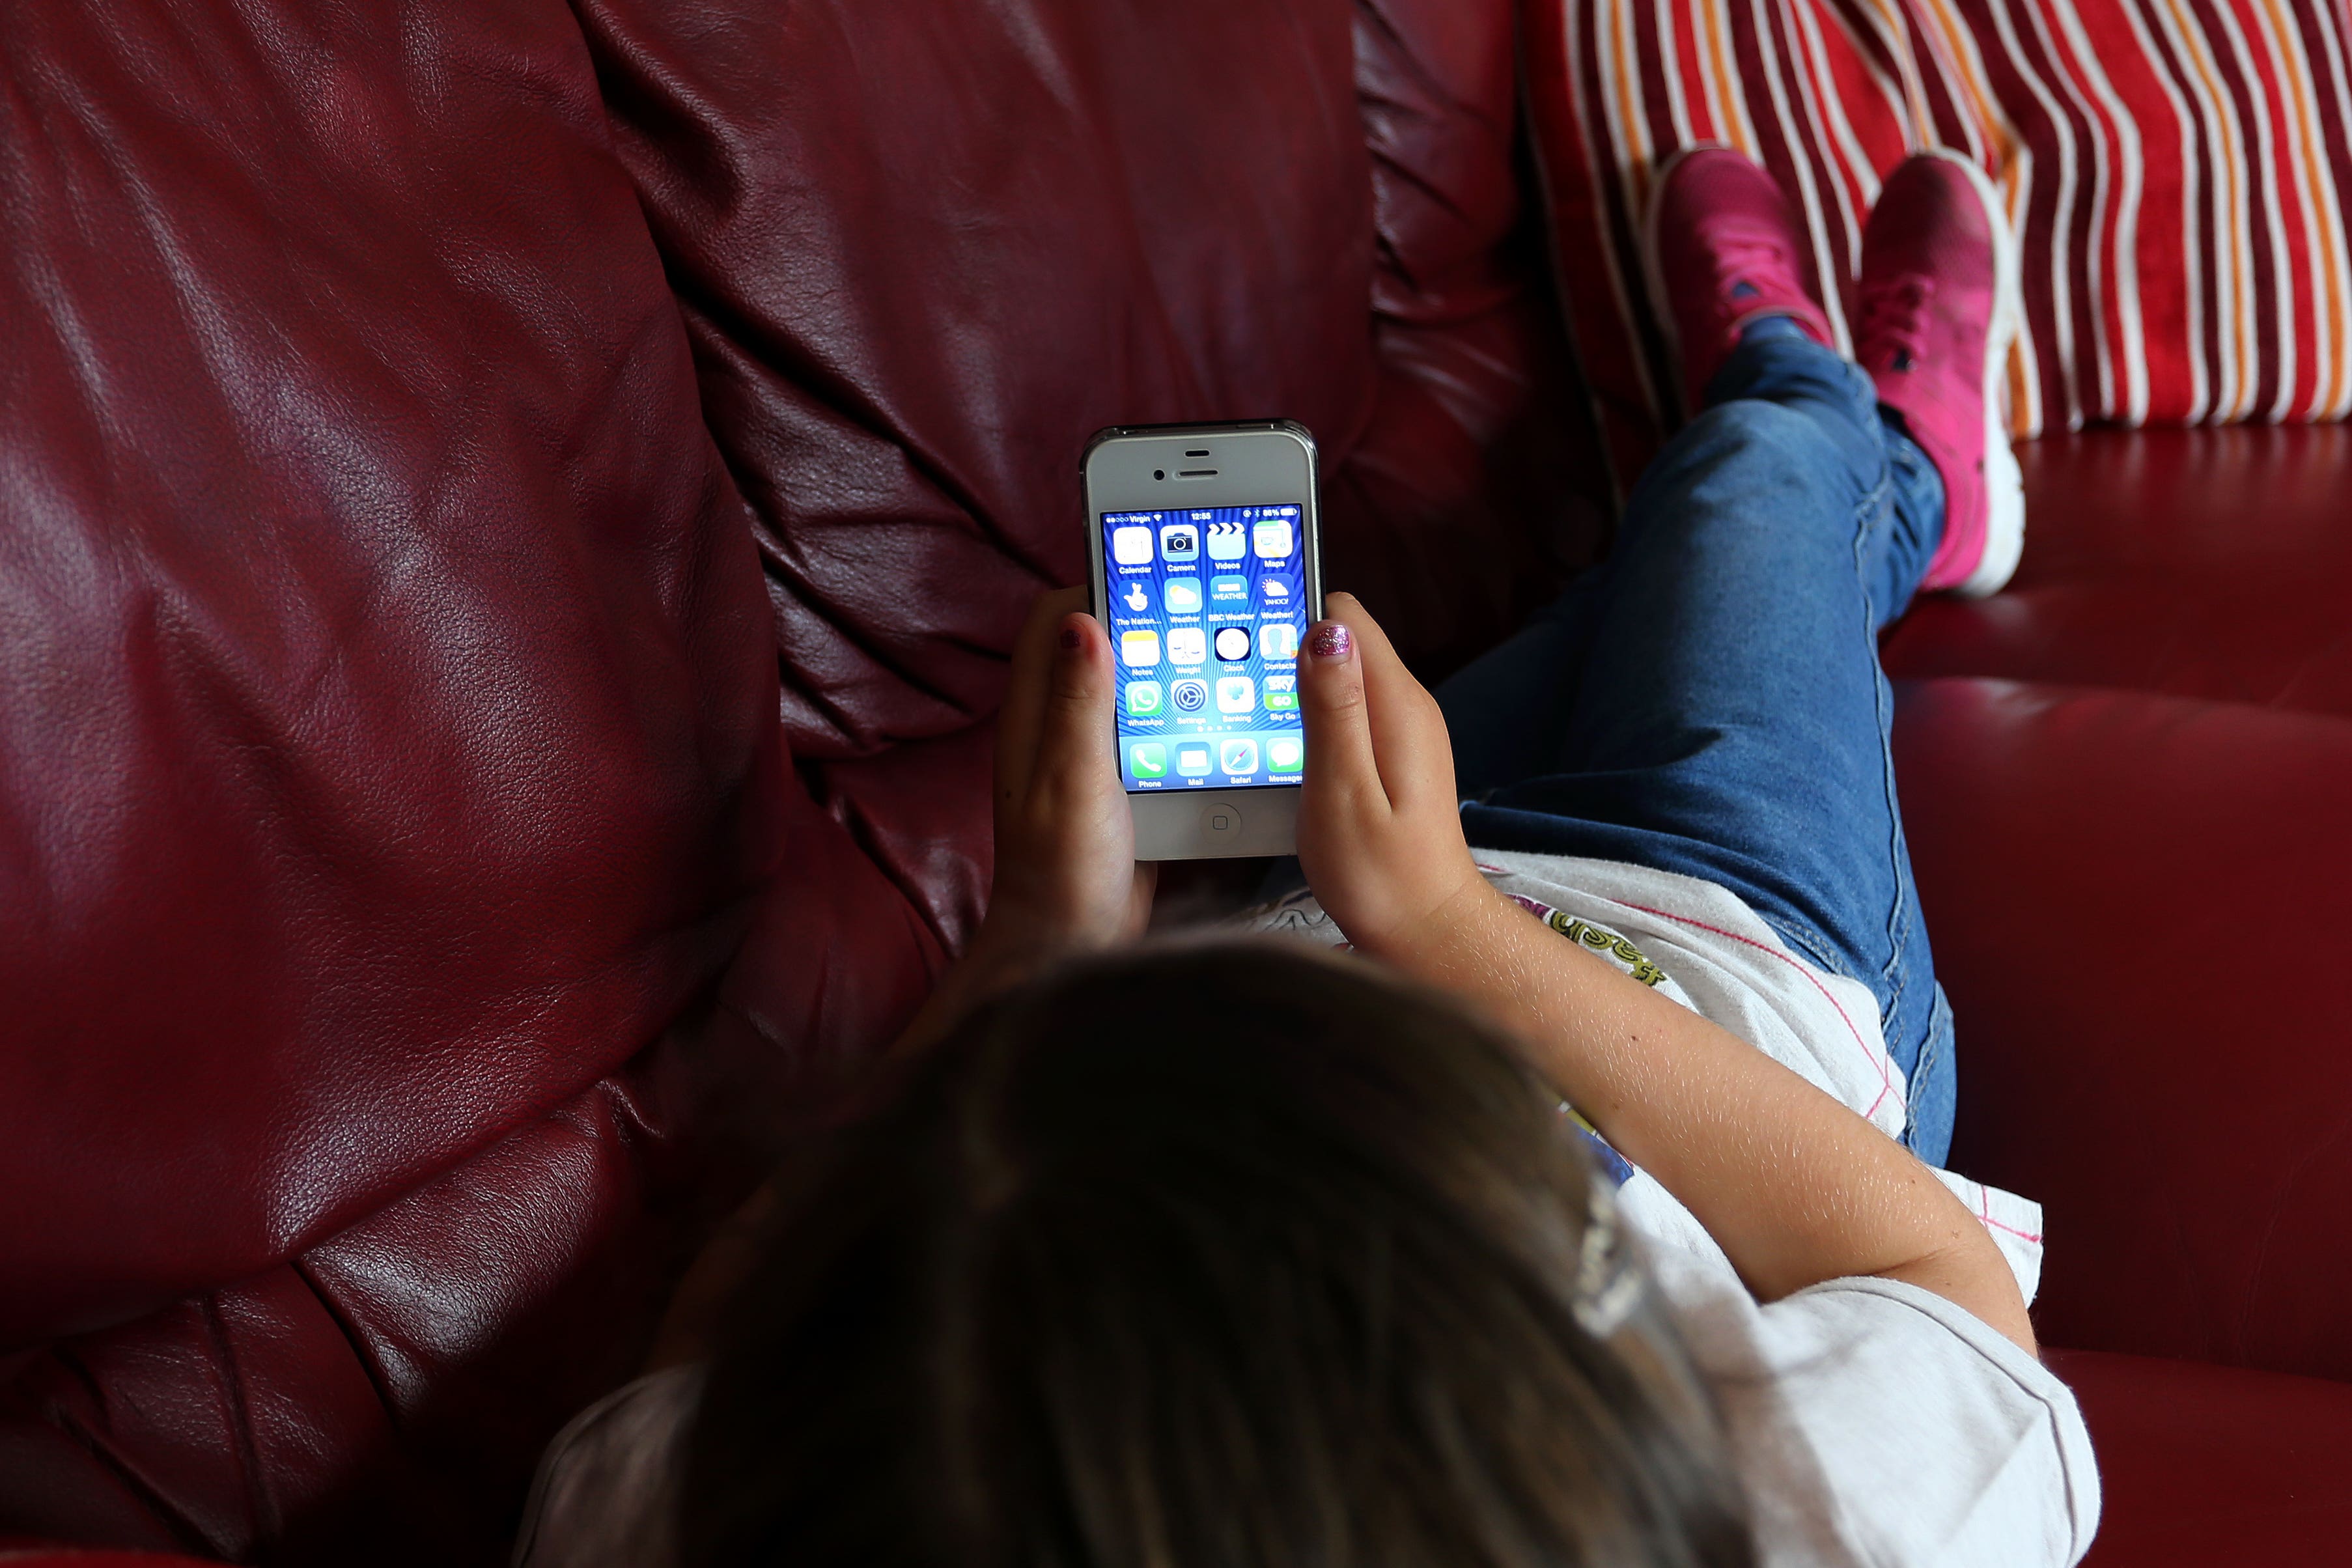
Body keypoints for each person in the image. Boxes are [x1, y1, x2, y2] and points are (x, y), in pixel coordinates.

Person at [512, 147, 2099, 1567]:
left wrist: (1039, 948)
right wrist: (1443, 924)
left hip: (1331, 877)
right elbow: (1928, 1269)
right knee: (1751, 481)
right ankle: (1854, 411)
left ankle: (1836, 461)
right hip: (1714, 937)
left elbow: (704, 1366)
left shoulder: (764, 1501)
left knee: (1639, 576)